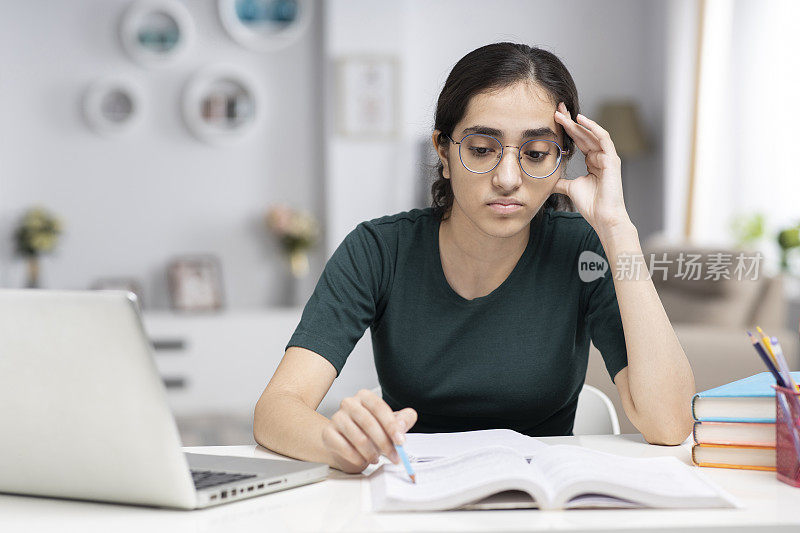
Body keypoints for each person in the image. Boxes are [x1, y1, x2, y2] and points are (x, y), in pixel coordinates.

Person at [254, 43, 696, 474]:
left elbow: (671, 423)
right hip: (411, 489)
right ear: (443, 152)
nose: (507, 179)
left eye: (536, 154)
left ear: (562, 161)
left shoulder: (583, 250)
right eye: (482, 149)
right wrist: (336, 444)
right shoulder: (377, 250)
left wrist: (617, 227)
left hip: (540, 501)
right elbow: (276, 409)